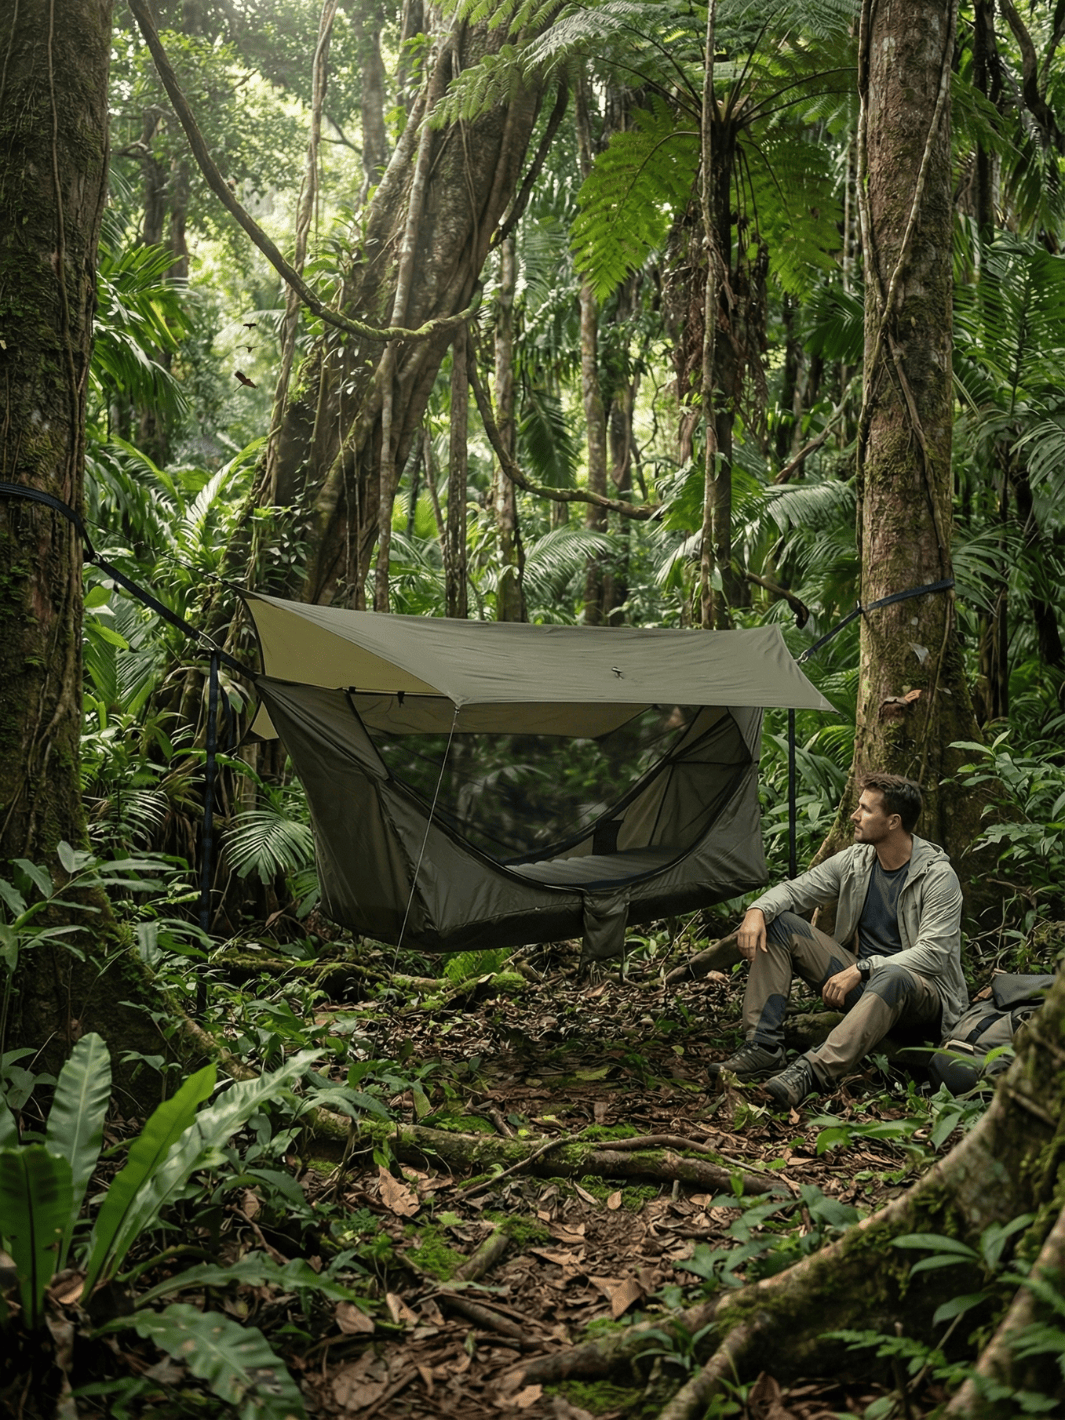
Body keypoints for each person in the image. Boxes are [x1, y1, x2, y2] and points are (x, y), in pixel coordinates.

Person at [708, 773, 966, 1109]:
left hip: (920, 999)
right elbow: (795, 891)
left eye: (865, 810)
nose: (854, 815)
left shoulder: (937, 876)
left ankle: (811, 1072)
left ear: (893, 822)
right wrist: (757, 910)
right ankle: (763, 1047)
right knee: (780, 922)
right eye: (858, 806)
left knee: (893, 975)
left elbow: (933, 955)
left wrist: (863, 968)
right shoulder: (856, 861)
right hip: (862, 983)